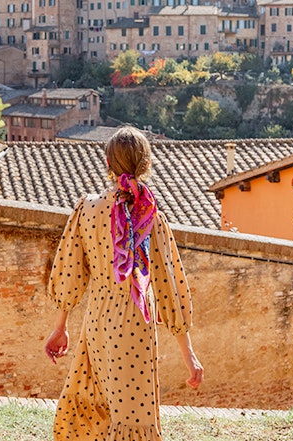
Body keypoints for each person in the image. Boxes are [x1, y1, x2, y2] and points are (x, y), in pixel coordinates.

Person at [44, 126, 203, 441]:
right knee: (132, 417)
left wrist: (60, 326)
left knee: (93, 406)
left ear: (106, 163)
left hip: (96, 321)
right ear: (145, 165)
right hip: (133, 324)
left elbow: (70, 270)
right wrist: (188, 353)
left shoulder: (86, 209)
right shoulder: (150, 218)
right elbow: (169, 287)